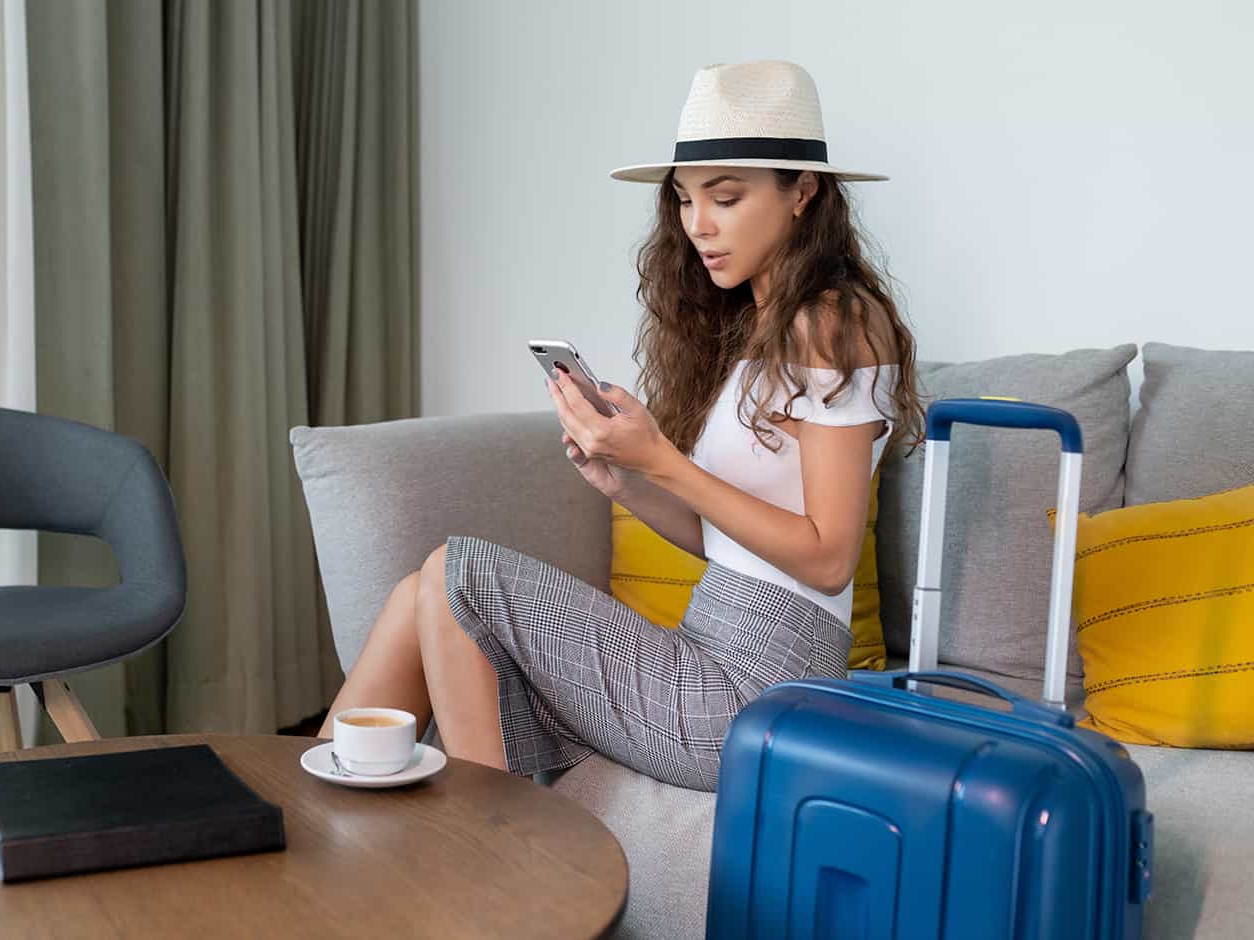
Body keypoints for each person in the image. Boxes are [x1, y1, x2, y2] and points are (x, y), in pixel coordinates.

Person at [318, 59, 924, 790]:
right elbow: (728, 543)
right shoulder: (761, 330)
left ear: (803, 192)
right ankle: (327, 825)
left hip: (763, 692)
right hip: (712, 653)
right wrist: (622, 480)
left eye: (725, 198)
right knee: (421, 593)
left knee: (455, 575)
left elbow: (827, 559)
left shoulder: (832, 322)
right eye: (684, 200)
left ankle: (481, 855)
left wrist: (663, 460)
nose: (698, 226)